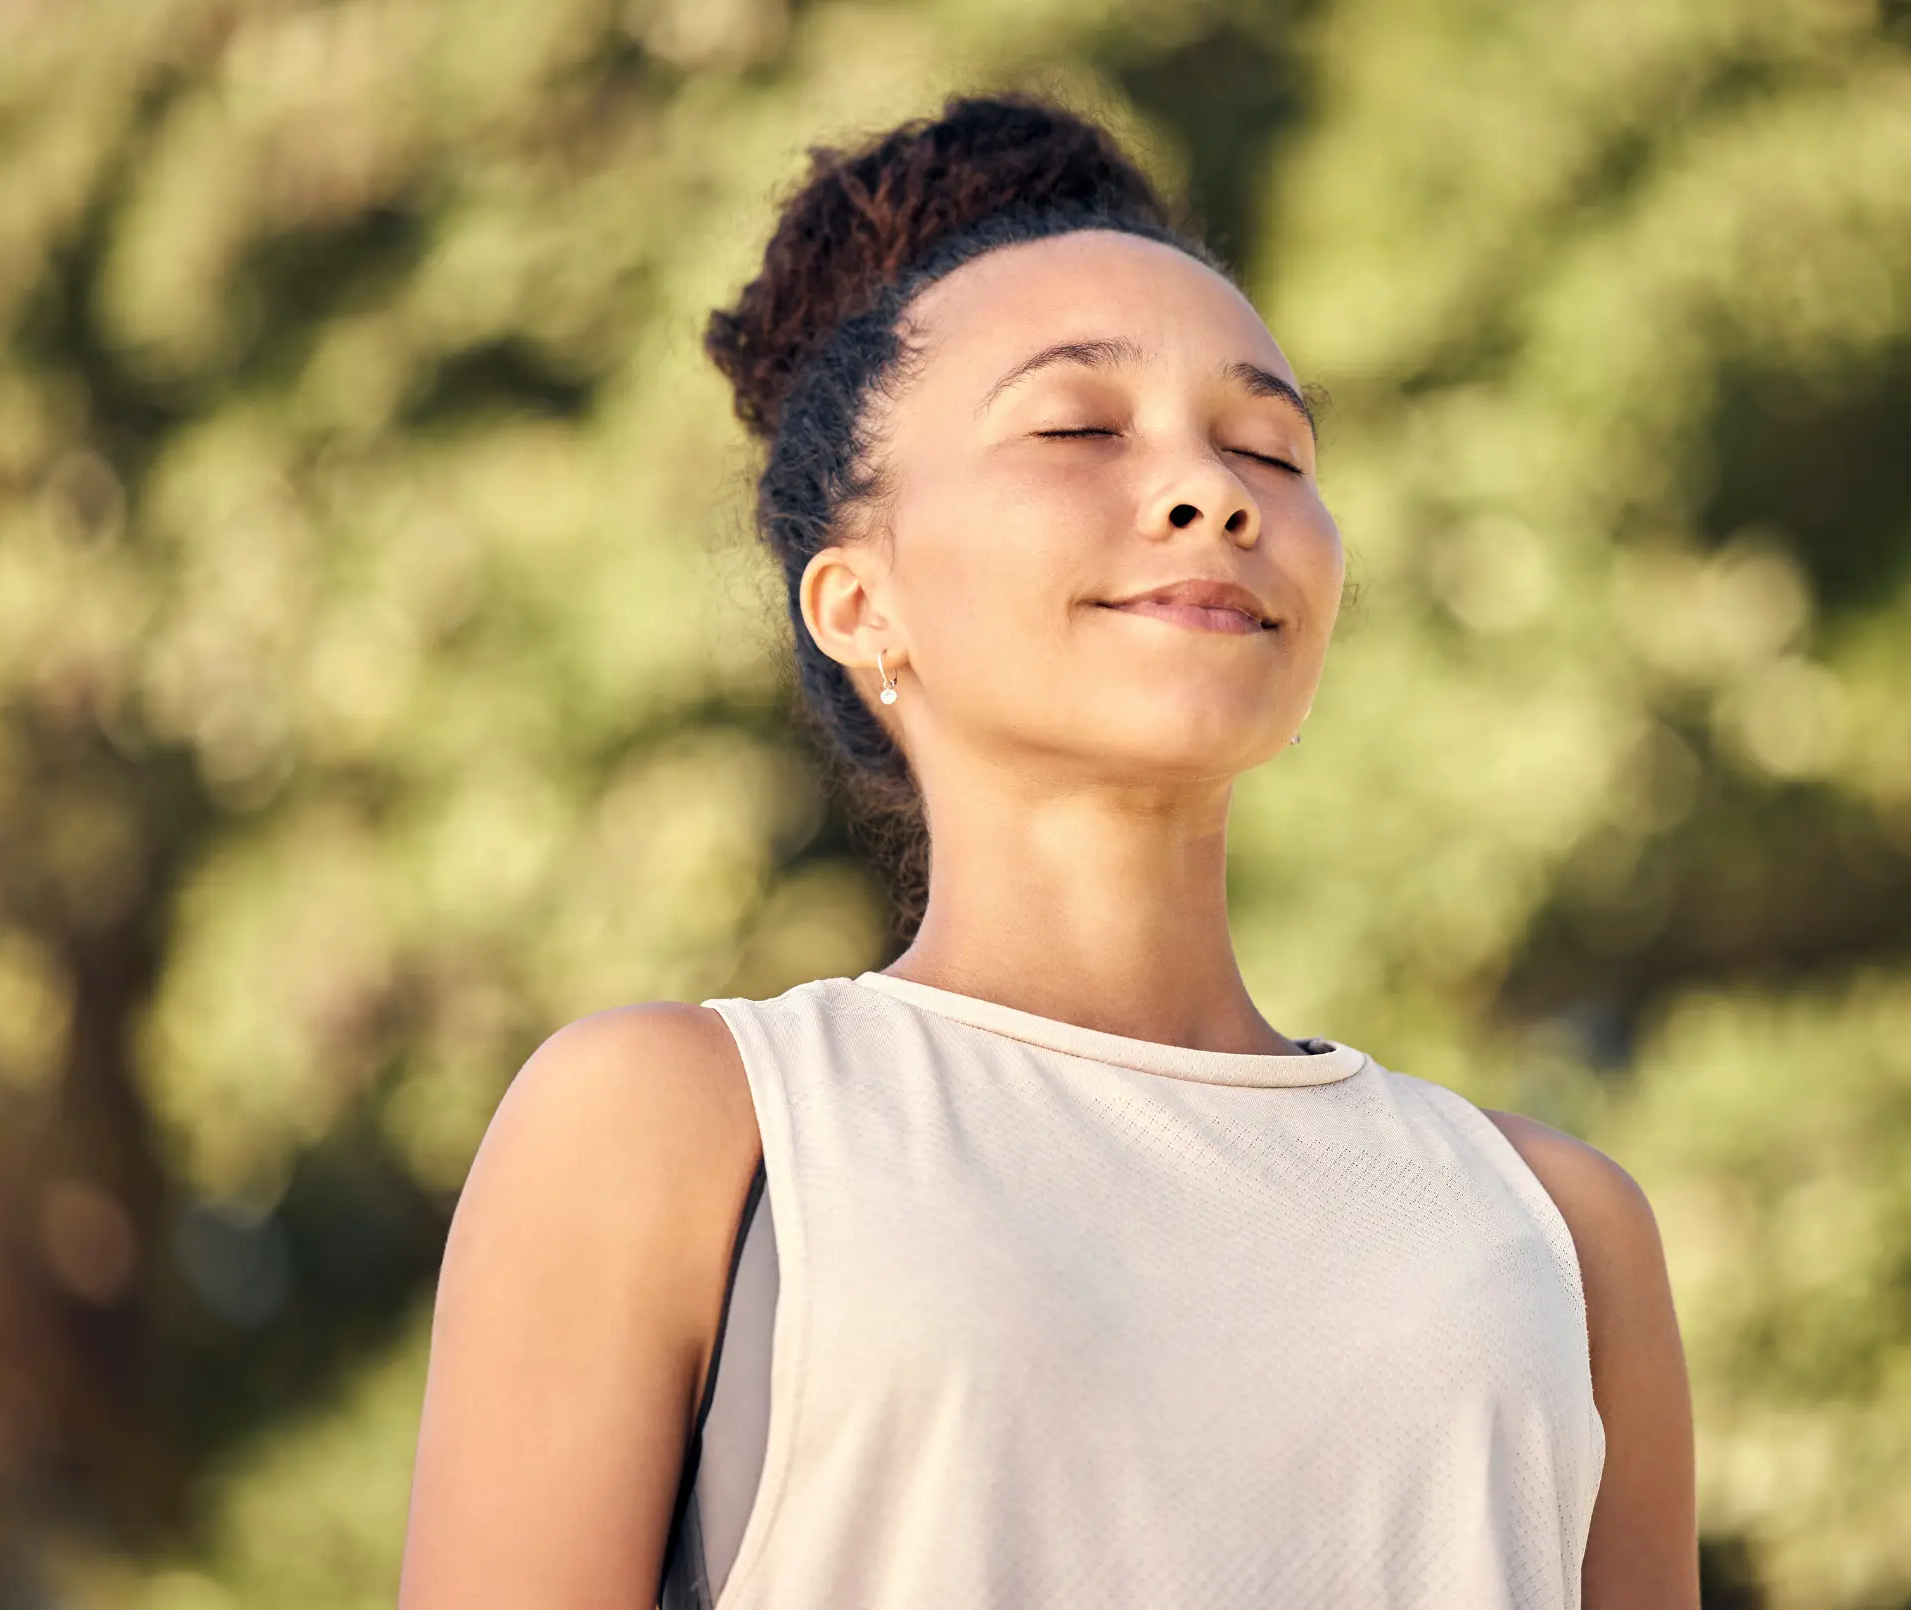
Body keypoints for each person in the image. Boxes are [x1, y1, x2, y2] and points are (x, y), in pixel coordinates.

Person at [396, 95, 1697, 1610]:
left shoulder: (1553, 1226)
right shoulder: (690, 1129)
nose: (1209, 492)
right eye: (1077, 426)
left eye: (1270, 447)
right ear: (857, 602)